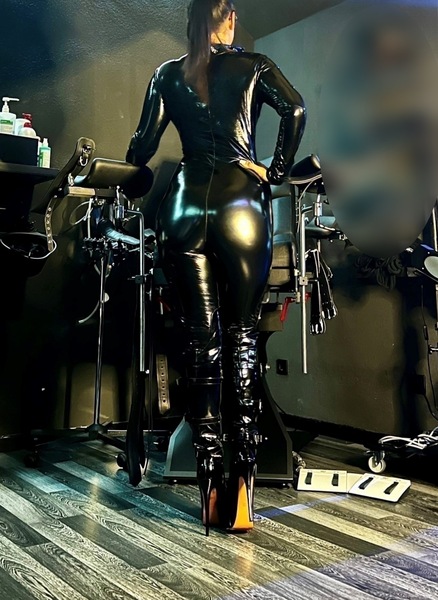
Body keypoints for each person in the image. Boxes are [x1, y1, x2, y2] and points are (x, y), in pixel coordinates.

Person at [126, 0, 306, 535]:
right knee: (242, 338)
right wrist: (274, 170)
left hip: (183, 210)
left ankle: (208, 486)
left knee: (201, 343)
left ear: (191, 25)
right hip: (240, 208)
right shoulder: (254, 65)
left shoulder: (167, 74)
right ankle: (242, 491)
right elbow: (295, 110)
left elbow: (141, 148)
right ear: (227, 21)